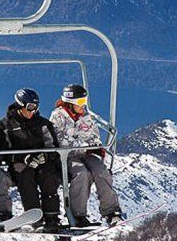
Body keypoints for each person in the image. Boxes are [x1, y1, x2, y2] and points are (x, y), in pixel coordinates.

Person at [50, 84, 123, 227]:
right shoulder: (58, 116)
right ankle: (78, 215)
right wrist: (81, 145)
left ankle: (111, 212)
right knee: (82, 174)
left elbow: (94, 135)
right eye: (80, 102)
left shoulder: (86, 117)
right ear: (69, 103)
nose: (83, 105)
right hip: (67, 156)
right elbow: (59, 140)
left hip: (86, 154)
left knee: (101, 171)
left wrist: (94, 145)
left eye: (84, 101)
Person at [0, 87, 63, 232]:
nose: (33, 111)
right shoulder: (6, 125)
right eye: (30, 107)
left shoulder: (42, 123)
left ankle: (52, 217)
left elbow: (52, 146)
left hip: (42, 163)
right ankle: (35, 217)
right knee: (25, 176)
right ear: (20, 105)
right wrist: (22, 158)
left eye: (36, 107)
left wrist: (45, 156)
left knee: (49, 176)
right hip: (20, 164)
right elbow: (4, 151)